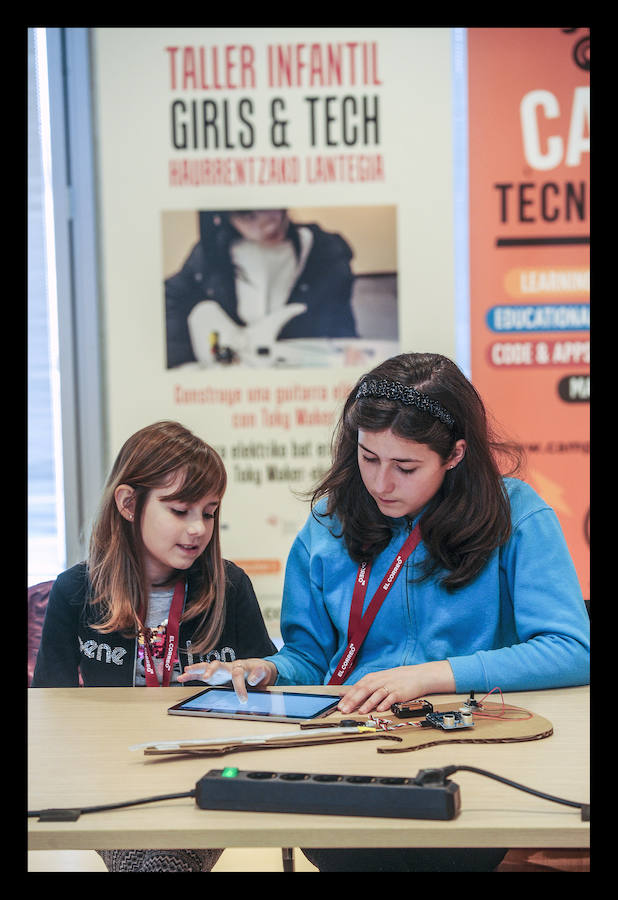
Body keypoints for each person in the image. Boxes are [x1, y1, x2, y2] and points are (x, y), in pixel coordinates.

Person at [179, 352, 590, 872]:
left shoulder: (516, 516)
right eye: (368, 457)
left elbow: (571, 650)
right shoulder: (327, 526)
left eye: (406, 466)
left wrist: (431, 677)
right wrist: (266, 670)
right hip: (351, 755)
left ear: (456, 454)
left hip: (476, 758)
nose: (380, 484)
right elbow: (313, 659)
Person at [32, 420, 277, 873]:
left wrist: (260, 671)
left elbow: (271, 674)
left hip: (209, 771)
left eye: (208, 512)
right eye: (180, 510)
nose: (198, 529)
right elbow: (48, 709)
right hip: (111, 774)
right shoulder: (74, 592)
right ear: (128, 503)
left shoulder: (230, 586)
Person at [165, 209, 358, 367]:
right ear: (225, 217)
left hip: (297, 379)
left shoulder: (325, 252)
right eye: (248, 216)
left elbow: (341, 325)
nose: (269, 223)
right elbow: (171, 301)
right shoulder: (211, 254)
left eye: (270, 208)